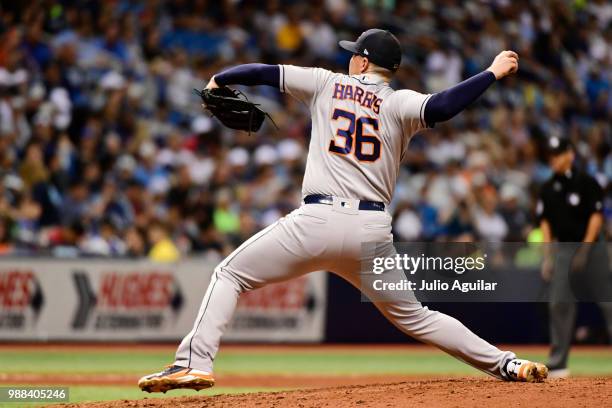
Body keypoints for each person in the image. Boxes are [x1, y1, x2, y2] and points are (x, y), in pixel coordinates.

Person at [139, 28, 547, 393]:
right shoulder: (399, 103)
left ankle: (192, 364)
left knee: (229, 274)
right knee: (418, 317)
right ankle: (506, 363)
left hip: (317, 220)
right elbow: (442, 106)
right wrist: (491, 72)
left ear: (364, 61)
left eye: (354, 52)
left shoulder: (326, 83)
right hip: (371, 231)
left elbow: (264, 71)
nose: (350, 56)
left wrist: (220, 79)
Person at [538, 136, 612, 378]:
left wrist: (586, 249)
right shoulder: (547, 188)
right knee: (559, 302)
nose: (554, 160)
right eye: (551, 156)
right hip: (564, 249)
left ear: (570, 154)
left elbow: (596, 217)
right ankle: (558, 363)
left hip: (592, 247)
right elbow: (545, 223)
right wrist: (548, 256)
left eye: (558, 154)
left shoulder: (587, 182)